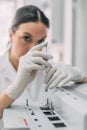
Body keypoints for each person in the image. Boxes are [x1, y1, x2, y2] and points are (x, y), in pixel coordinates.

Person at [0, 5, 87, 124]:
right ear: (11, 34)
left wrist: (80, 77)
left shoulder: (48, 68)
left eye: (40, 41)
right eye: (26, 38)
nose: (34, 49)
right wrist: (15, 89)